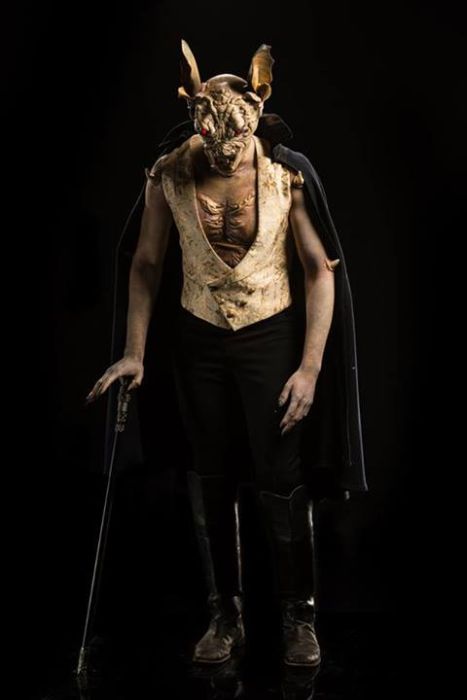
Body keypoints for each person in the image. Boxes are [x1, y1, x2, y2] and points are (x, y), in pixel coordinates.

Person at [86, 40, 367, 668]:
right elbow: (146, 263)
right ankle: (225, 614)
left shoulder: (286, 173)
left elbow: (319, 270)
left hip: (273, 333)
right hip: (198, 338)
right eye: (213, 132)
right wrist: (135, 352)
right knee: (208, 474)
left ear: (258, 109)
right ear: (193, 116)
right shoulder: (169, 173)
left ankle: (299, 615)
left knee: (281, 478)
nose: (226, 147)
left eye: (236, 132)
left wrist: (310, 368)